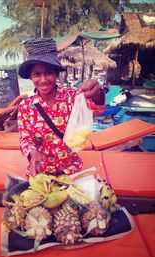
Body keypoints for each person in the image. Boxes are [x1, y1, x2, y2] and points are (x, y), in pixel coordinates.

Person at [17, 37, 105, 178]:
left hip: (71, 170)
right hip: (40, 173)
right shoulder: (26, 106)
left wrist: (98, 93)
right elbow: (25, 138)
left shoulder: (73, 97)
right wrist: (32, 152)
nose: (43, 79)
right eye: (36, 74)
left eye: (48, 73)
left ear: (56, 74)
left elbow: (96, 108)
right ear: (30, 77)